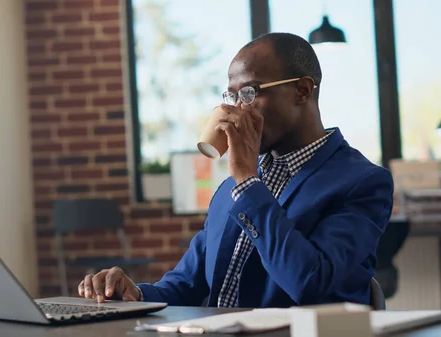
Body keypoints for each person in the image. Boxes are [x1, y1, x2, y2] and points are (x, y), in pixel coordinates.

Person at [77, 32, 394, 308]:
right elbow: (186, 285)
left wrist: (245, 178)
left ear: (302, 90)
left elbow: (311, 284)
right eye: (231, 95)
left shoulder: (362, 183)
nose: (238, 108)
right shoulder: (234, 188)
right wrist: (135, 295)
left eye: (250, 92)